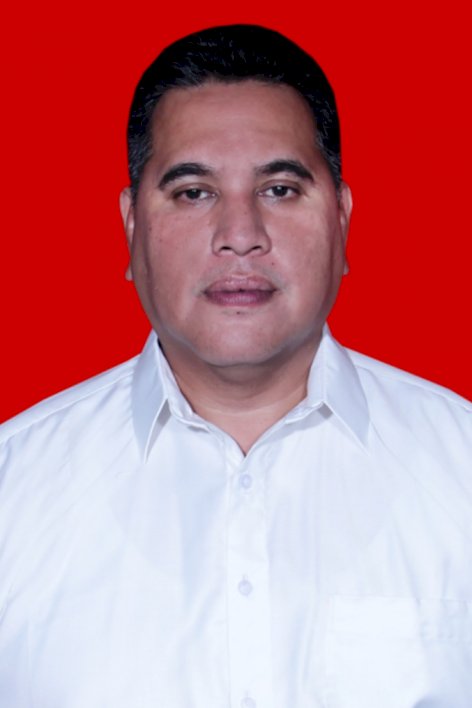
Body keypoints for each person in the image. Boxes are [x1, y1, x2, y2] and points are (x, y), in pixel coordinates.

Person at [0, 23, 471, 708]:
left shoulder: (460, 471)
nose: (240, 236)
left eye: (279, 189)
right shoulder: (14, 490)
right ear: (131, 226)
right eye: (194, 192)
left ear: (342, 217)